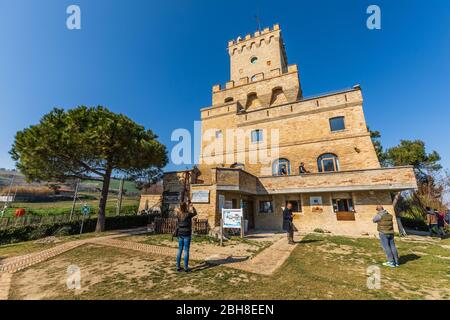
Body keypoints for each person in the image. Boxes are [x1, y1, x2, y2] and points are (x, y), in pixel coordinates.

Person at [175, 202, 197, 272]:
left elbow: (176, 210)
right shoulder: (188, 214)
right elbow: (195, 213)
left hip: (180, 233)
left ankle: (178, 266)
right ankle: (185, 267)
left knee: (180, 250)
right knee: (186, 250)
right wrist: (192, 207)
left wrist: (179, 208)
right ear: (186, 207)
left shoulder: (178, 214)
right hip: (187, 233)